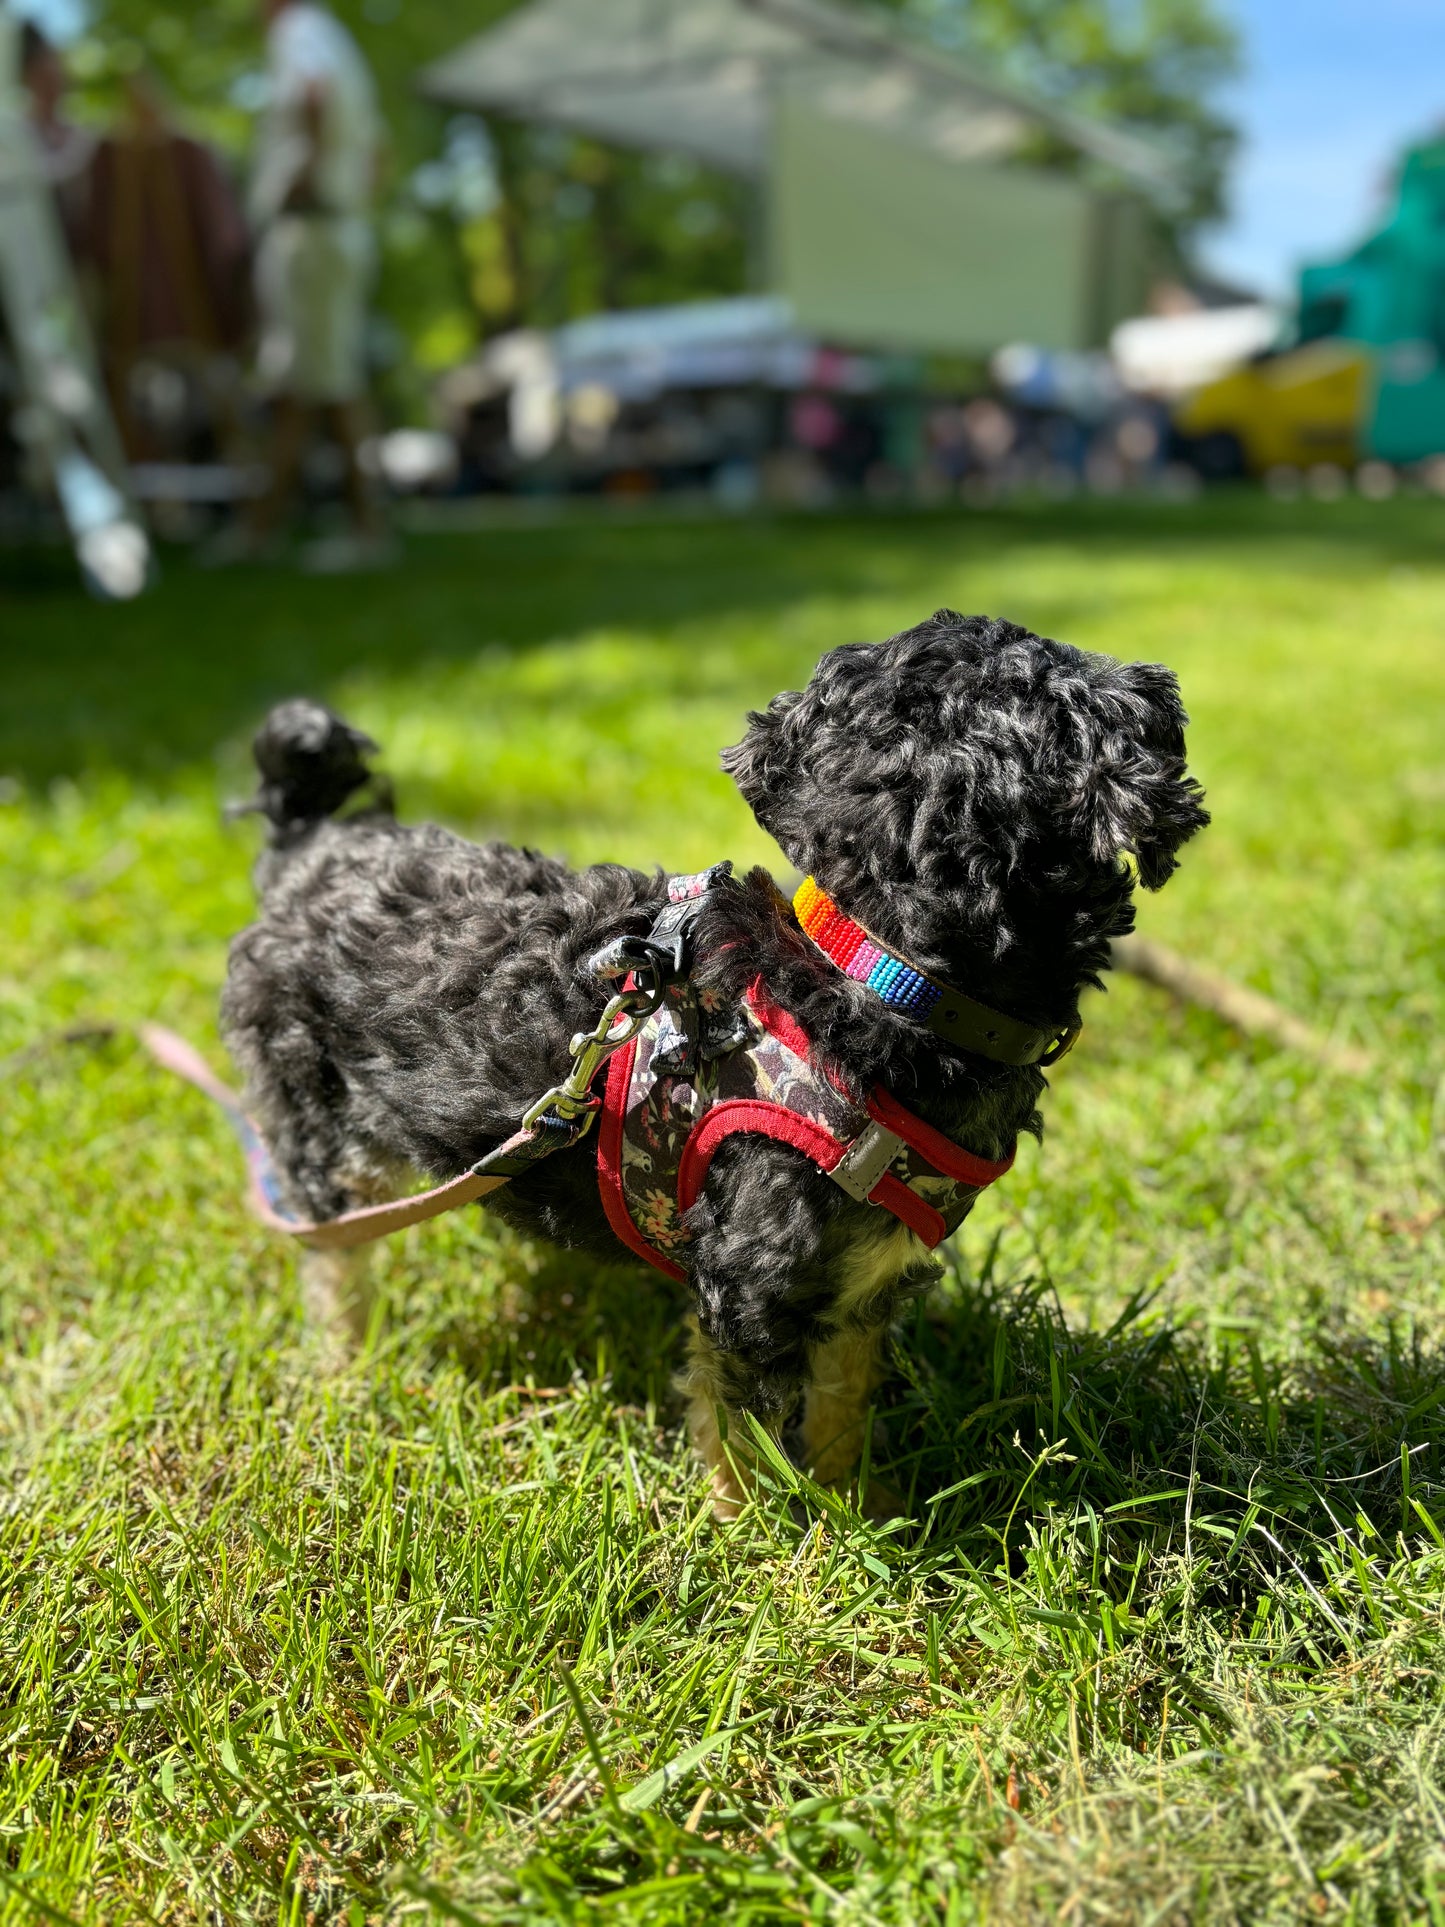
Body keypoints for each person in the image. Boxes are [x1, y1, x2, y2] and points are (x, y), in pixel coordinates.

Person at [240, 0, 388, 566]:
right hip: (337, 226)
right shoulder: (337, 37)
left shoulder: (299, 31)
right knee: (302, 381)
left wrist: (305, 176)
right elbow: (379, 152)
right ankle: (260, 531)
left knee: (332, 381)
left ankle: (367, 534)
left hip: (313, 227)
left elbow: (314, 91)